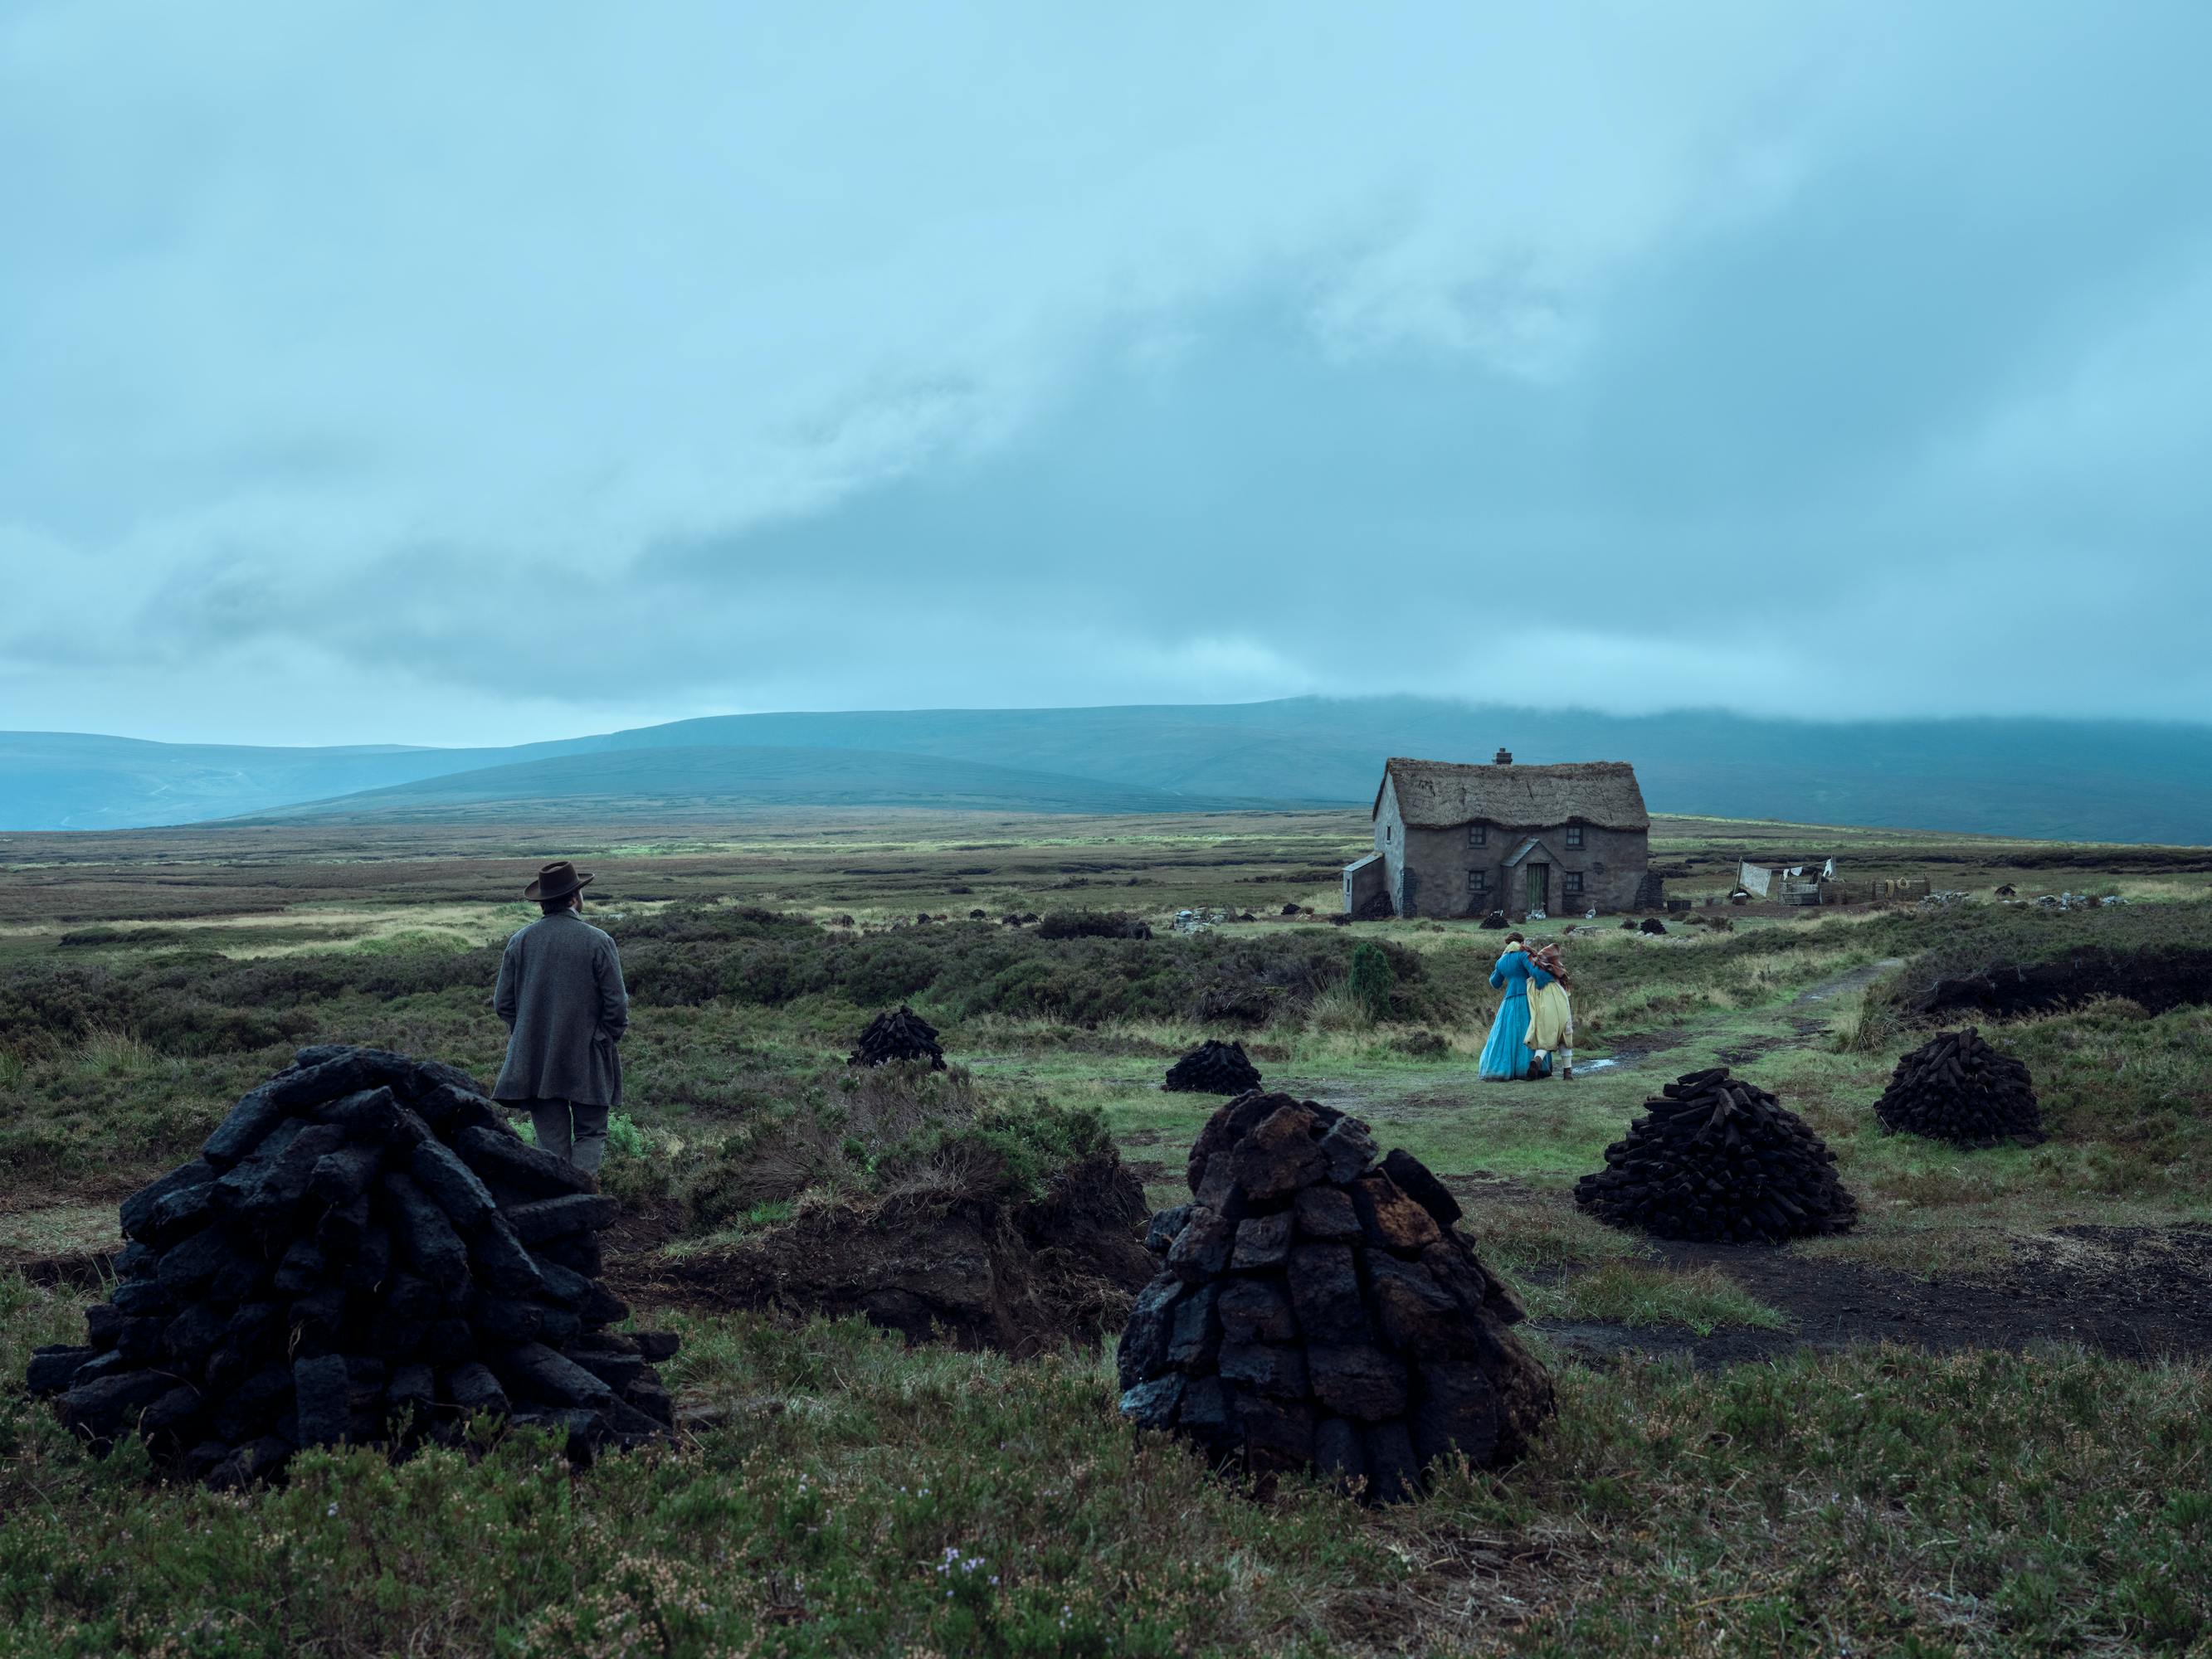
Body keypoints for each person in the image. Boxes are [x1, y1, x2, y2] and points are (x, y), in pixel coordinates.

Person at [492, 859, 629, 1172]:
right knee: (591, 1133)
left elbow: (503, 1004)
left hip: (537, 1060)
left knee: (550, 1142)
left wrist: (527, 1033)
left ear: (543, 903)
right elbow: (617, 1005)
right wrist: (605, 1038)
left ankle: (559, 1207)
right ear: (574, 898)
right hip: (589, 1057)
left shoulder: (520, 941)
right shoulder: (598, 941)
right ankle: (583, 1206)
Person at [1480, 932, 1556, 1081]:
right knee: (1530, 1030)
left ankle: (1504, 1068)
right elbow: (1535, 972)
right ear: (1522, 942)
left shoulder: (1501, 961)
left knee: (1506, 1034)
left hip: (1509, 1001)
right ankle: (1530, 1067)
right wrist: (1549, 978)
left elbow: (1495, 983)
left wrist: (1500, 968)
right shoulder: (1522, 955)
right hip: (1526, 998)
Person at [1525, 942, 1576, 1080]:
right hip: (1559, 1007)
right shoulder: (1556, 972)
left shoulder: (1534, 976)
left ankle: (1537, 1060)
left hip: (1542, 1009)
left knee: (1547, 1037)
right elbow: (1565, 993)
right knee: (1565, 1037)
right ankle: (1568, 1073)